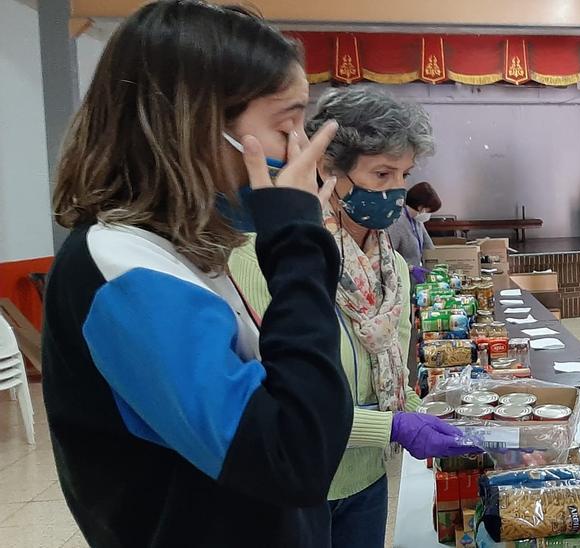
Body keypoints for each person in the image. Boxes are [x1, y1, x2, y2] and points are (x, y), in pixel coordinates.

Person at [40, 2, 351, 545]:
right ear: (196, 126)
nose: (300, 154)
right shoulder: (125, 270)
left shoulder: (178, 251)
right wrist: (300, 245)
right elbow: (294, 455)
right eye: (286, 127)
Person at [229, 88, 476, 548]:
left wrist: (436, 418)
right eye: (381, 173)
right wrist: (392, 426)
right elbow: (279, 398)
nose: (396, 192)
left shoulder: (393, 269)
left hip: (367, 478)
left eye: (404, 174)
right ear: (327, 170)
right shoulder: (268, 258)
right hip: (298, 486)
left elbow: (393, 377)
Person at [388, 181, 442, 273]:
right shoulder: (397, 222)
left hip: (416, 278)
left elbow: (428, 246)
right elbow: (390, 256)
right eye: (429, 210)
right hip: (402, 277)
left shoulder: (418, 221)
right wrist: (411, 268)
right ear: (421, 208)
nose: (429, 214)